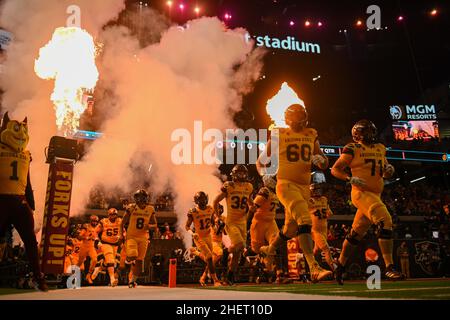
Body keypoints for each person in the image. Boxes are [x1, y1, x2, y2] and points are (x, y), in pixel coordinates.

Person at [256, 104, 332, 282]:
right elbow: (260, 161)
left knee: (290, 229)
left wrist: (322, 160)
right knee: (305, 221)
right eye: (296, 116)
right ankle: (314, 267)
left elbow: (324, 163)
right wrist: (264, 175)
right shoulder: (279, 133)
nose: (299, 120)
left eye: (301, 116)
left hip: (304, 187)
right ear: (289, 118)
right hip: (286, 184)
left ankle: (270, 249)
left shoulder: (311, 134)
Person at [331, 119, 404, 284]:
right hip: (361, 193)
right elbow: (335, 169)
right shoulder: (352, 148)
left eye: (372, 131)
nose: (370, 134)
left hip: (375, 195)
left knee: (355, 234)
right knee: (385, 220)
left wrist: (389, 170)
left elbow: (385, 171)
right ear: (357, 134)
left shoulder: (380, 148)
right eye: (366, 131)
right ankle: (389, 267)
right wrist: (350, 178)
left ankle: (340, 265)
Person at [0, 112, 47, 291]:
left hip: (19, 201)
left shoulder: (26, 155)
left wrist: (31, 204)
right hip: (4, 199)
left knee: (30, 241)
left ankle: (38, 277)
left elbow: (27, 182)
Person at [213, 164, 254, 285]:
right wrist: (217, 216)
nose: (241, 175)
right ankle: (226, 252)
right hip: (231, 222)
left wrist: (252, 207)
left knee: (238, 253)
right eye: (239, 173)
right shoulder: (229, 186)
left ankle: (230, 276)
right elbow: (216, 201)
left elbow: (250, 202)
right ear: (234, 175)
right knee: (240, 245)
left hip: (243, 222)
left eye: (243, 173)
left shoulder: (249, 186)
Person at [247, 174, 280, 282]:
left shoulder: (275, 192)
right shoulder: (264, 192)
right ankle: (265, 267)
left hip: (271, 222)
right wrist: (246, 224)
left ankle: (271, 271)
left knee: (274, 244)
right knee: (257, 249)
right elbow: (253, 208)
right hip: (259, 223)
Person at [121, 189, 157, 288]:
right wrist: (121, 235)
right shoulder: (131, 207)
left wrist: (149, 226)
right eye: (139, 197)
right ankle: (128, 260)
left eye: (143, 197)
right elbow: (122, 223)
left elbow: (155, 224)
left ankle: (132, 281)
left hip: (144, 237)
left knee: (140, 261)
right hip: (132, 236)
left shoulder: (150, 209)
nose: (141, 199)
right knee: (133, 255)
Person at [185, 191, 221, 286]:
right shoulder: (193, 211)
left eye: (204, 198)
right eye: (201, 199)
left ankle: (196, 253)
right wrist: (192, 233)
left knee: (210, 259)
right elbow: (187, 226)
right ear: (196, 201)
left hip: (208, 236)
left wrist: (215, 227)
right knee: (209, 257)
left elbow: (212, 222)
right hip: (199, 237)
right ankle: (215, 280)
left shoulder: (210, 209)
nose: (203, 200)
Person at [308, 175, 335, 271]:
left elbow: (329, 213)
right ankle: (335, 270)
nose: (318, 191)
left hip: (324, 229)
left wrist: (327, 213)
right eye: (315, 190)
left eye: (319, 190)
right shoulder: (308, 200)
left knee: (316, 251)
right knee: (326, 249)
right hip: (315, 230)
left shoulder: (324, 199)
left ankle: (305, 264)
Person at [92, 208, 122, 286]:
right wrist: (96, 240)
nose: (113, 216)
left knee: (109, 262)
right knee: (111, 260)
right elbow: (95, 231)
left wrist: (123, 238)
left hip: (115, 244)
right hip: (105, 243)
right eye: (111, 215)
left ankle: (100, 268)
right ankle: (112, 279)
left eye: (114, 215)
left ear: (117, 215)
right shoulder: (103, 221)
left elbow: (123, 231)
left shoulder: (120, 221)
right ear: (108, 215)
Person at [77, 215, 99, 284]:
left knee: (95, 259)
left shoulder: (97, 229)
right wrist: (85, 237)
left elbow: (96, 238)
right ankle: (72, 274)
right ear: (90, 221)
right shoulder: (86, 227)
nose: (95, 223)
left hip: (91, 247)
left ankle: (88, 275)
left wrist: (98, 242)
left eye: (96, 221)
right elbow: (79, 237)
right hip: (84, 246)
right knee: (79, 263)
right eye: (93, 221)